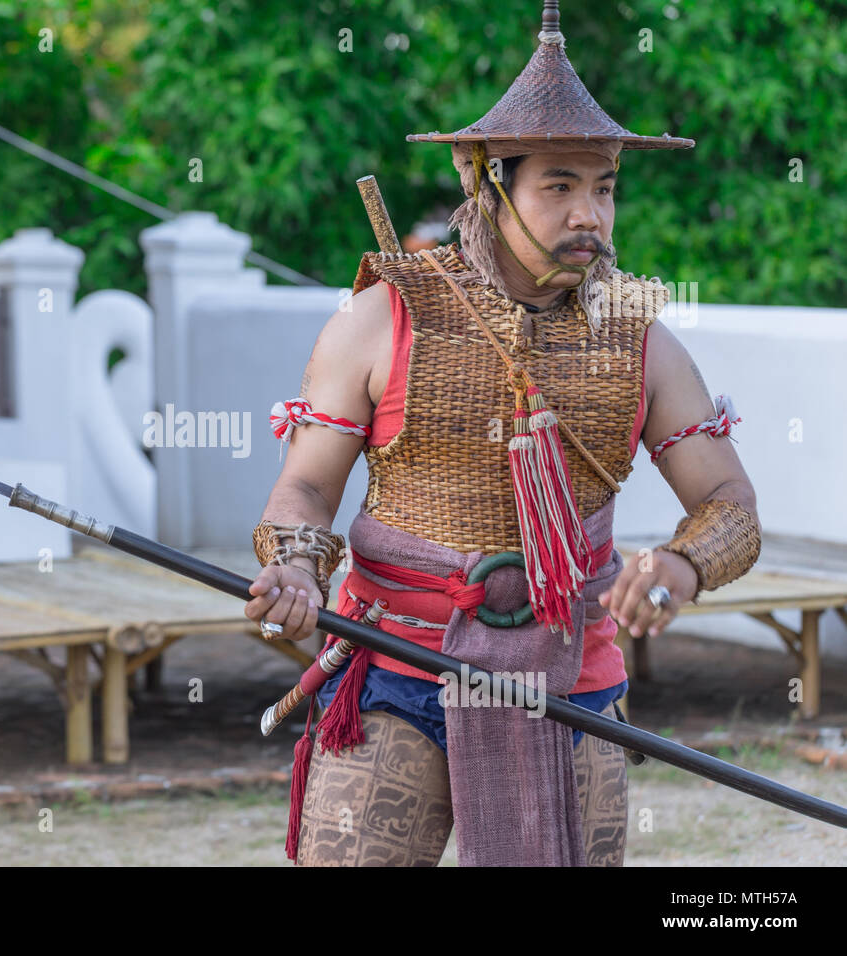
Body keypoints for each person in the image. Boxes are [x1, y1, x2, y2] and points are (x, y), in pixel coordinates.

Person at [245, 1, 761, 867]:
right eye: (559, 186)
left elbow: (729, 504)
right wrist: (295, 564)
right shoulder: (384, 316)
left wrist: (679, 565)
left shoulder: (640, 336)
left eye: (603, 188)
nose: (590, 215)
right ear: (488, 181)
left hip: (569, 679)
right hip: (396, 667)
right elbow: (306, 488)